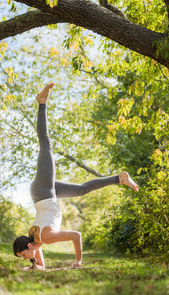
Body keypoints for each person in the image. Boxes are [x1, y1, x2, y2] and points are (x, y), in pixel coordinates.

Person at [13, 83, 139, 270]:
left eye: (24, 255)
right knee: (81, 190)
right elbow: (41, 266)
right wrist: (33, 266)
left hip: (44, 192)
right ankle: (119, 178)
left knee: (45, 144)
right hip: (46, 194)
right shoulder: (36, 242)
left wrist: (78, 261)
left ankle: (42, 102)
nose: (25, 258)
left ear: (29, 246)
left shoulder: (44, 238)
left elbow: (76, 235)